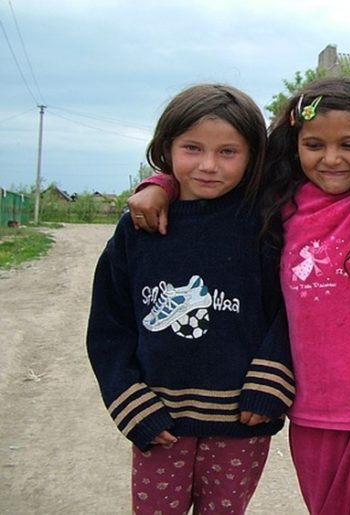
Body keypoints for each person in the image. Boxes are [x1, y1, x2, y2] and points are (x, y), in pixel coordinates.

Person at [127, 76, 350, 515]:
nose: (331, 159)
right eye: (314, 145)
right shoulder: (282, 198)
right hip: (312, 401)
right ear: (294, 144)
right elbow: (217, 176)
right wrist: (160, 184)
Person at [86, 83, 295, 515]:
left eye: (228, 152)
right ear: (166, 148)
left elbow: (291, 311)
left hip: (242, 418)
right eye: (192, 148)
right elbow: (109, 326)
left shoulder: (264, 224)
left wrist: (272, 381)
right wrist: (129, 402)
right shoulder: (138, 229)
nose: (208, 165)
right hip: (159, 419)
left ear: (253, 155)